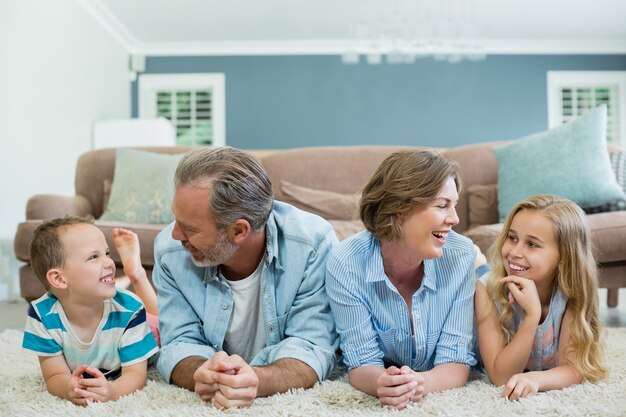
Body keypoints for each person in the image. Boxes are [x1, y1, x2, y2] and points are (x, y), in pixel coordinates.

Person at [153, 146, 339, 409]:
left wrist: (258, 379)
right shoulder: (170, 253)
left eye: (190, 228)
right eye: (176, 219)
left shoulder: (313, 244)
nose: (175, 235)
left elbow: (313, 346)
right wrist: (200, 371)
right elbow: (178, 342)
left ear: (239, 230)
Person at [326, 149, 478, 409]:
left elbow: (455, 358)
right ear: (399, 210)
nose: (455, 219)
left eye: (454, 205)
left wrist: (421, 383)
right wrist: (379, 383)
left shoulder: (462, 256)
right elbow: (361, 360)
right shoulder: (345, 262)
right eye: (442, 206)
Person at [474, 195, 607, 401]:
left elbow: (574, 368)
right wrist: (532, 316)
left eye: (532, 244)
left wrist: (537, 379)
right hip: (484, 278)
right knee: (478, 272)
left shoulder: (571, 293)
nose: (515, 252)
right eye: (512, 238)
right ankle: (477, 261)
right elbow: (500, 376)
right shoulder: (487, 289)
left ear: (564, 256)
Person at [22, 217, 159, 406]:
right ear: (59, 279)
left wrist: (113, 391)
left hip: (146, 331)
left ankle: (136, 276)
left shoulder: (130, 310)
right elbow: (54, 375)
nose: (109, 262)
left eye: (107, 253)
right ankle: (126, 279)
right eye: (94, 257)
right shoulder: (42, 316)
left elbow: (136, 375)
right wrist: (67, 389)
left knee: (163, 325)